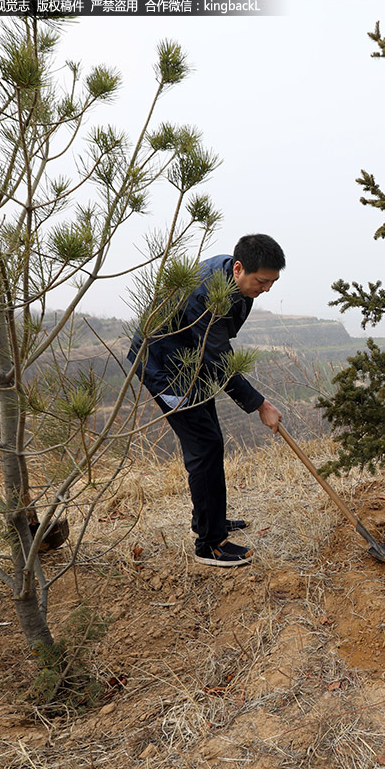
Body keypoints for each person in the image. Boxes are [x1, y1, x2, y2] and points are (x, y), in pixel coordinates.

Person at [130, 234, 285, 567]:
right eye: (262, 281)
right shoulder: (206, 293)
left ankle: (208, 519)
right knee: (205, 447)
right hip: (166, 367)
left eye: (272, 282)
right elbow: (219, 359)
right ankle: (209, 544)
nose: (266, 289)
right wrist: (261, 405)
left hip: (192, 362)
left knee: (210, 441)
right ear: (240, 267)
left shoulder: (238, 283)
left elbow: (216, 349)